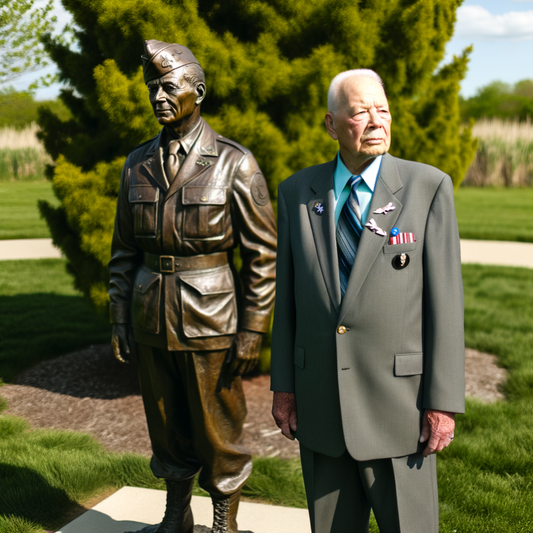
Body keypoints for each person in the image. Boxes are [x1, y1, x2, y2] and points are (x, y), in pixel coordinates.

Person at [270, 69, 464, 533]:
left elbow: (446, 306)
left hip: (402, 410)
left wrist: (442, 402)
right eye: (360, 112)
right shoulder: (298, 193)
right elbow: (288, 300)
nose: (377, 121)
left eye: (383, 109)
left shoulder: (428, 187)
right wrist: (284, 386)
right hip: (320, 406)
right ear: (331, 123)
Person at [109, 39, 276, 533]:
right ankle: (175, 512)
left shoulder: (234, 162)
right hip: (149, 314)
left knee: (218, 426)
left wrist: (253, 329)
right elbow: (123, 250)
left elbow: (263, 255)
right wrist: (118, 315)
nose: (158, 96)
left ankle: (224, 515)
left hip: (211, 317)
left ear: (197, 91)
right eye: (151, 88)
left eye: (168, 85)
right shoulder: (136, 163)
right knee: (165, 424)